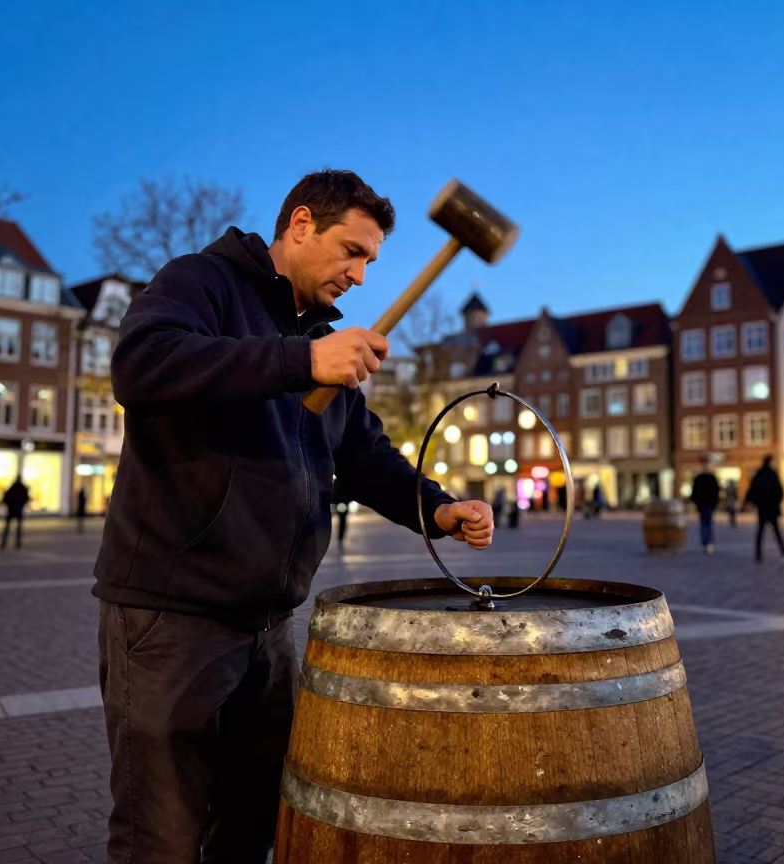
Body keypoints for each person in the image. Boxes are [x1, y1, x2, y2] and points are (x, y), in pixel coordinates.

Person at [91, 170, 496, 864]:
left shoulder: (319, 341)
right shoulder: (203, 283)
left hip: (268, 628)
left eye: (371, 260)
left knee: (252, 825)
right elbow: (142, 365)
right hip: (171, 621)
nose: (361, 276)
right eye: (352, 250)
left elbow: (365, 456)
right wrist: (300, 359)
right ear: (301, 224)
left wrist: (438, 507)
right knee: (161, 837)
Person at [745, 455, 784, 563]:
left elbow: (752, 490)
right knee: (776, 532)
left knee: (760, 531)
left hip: (763, 508)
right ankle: (783, 552)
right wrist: (777, 503)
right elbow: (780, 491)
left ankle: (758, 555)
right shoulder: (773, 475)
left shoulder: (759, 474)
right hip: (772, 508)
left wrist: (752, 502)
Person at [690, 459, 720, 554]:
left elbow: (716, 492)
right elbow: (716, 492)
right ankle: (707, 542)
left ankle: (706, 542)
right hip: (705, 505)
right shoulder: (709, 478)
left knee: (705, 523)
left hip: (706, 504)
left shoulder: (704, 478)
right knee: (707, 523)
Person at [0, 477, 29, 550]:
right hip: (18, 510)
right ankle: (17, 542)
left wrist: (9, 505)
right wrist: (21, 505)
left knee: (7, 528)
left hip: (11, 510)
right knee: (18, 528)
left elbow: (5, 498)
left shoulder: (12, 488)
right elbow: (26, 498)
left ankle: (4, 542)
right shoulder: (22, 488)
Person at [331, 476, 352, 549]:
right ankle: (340, 536)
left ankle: (340, 536)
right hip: (342, 503)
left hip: (341, 503)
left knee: (342, 520)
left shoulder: (338, 483)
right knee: (342, 520)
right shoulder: (343, 483)